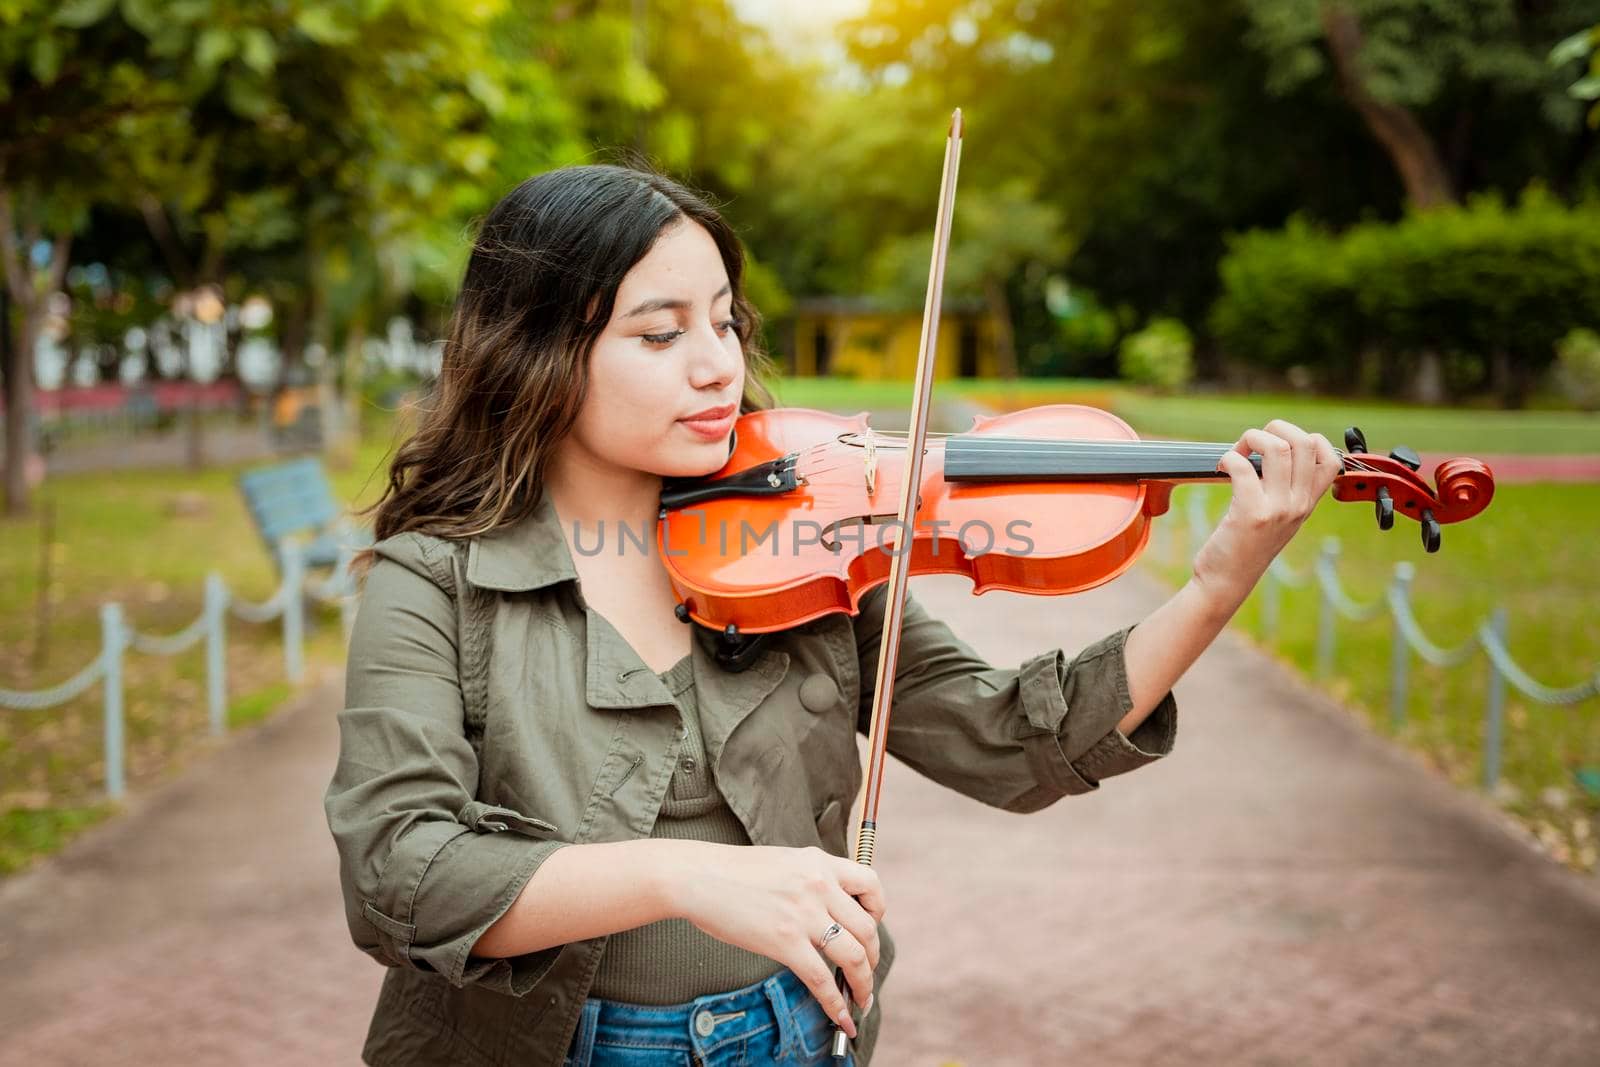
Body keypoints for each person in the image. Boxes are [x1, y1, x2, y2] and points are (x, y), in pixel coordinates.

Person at [322, 163, 1341, 1067]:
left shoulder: (808, 537)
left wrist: (1217, 582)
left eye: (724, 319)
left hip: (796, 1030)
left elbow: (1012, 739)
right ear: (535, 350)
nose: (717, 362)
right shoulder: (434, 581)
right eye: (660, 332)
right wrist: (684, 876)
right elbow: (399, 869)